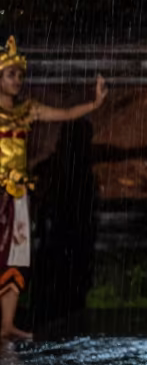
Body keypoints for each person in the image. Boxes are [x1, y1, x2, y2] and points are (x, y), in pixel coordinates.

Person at [0, 36, 108, 342]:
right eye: (11, 74)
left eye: (19, 75)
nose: (17, 80)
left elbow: (64, 114)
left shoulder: (27, 111)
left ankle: (7, 323)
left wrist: (95, 103)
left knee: (16, 257)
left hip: (17, 195)